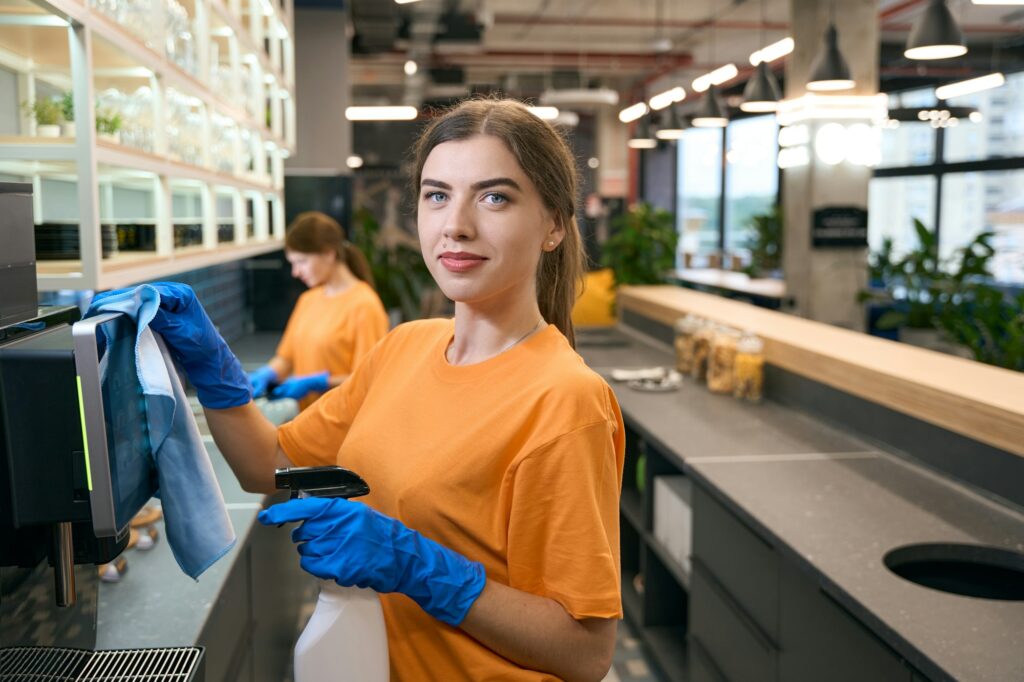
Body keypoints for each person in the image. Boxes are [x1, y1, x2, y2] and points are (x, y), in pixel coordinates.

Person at [108, 99, 625, 681]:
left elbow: (585, 654)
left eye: (494, 196)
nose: (456, 224)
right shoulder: (404, 348)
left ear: (554, 224)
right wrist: (211, 367)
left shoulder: (565, 400)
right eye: (437, 194)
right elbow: (268, 464)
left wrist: (422, 567)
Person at [247, 211, 388, 410]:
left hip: (343, 426)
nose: (296, 272)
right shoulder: (308, 300)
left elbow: (367, 381)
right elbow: (286, 358)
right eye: (293, 263)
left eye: (301, 261)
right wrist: (268, 373)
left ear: (329, 253)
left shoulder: (365, 305)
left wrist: (319, 383)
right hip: (309, 420)